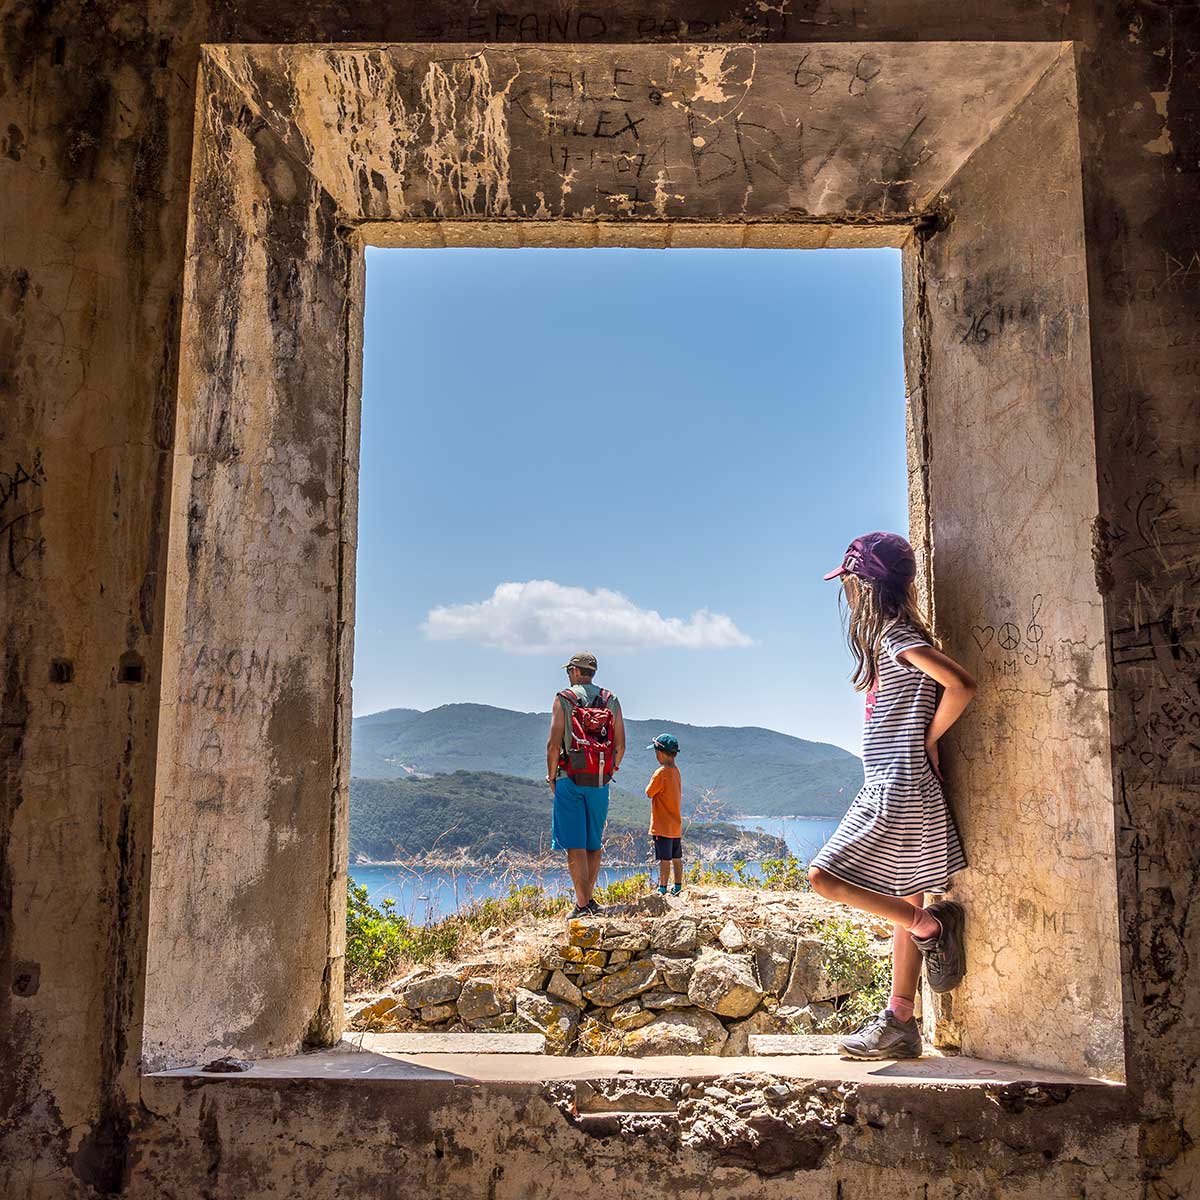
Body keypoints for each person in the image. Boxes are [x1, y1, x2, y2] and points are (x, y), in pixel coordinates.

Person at [807, 532, 975, 1061]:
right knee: (907, 898)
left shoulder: (894, 636)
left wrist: (926, 738)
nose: (846, 595)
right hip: (907, 784)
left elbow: (962, 685)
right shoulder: (896, 637)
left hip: (896, 785)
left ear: (863, 585)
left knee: (823, 878)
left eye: (848, 584)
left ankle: (931, 927)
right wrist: (927, 739)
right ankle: (900, 1022)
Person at [546, 652, 626, 918]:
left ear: (576, 671)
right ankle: (588, 901)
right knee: (593, 843)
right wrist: (608, 771)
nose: (568, 675)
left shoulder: (564, 699)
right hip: (600, 781)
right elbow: (620, 746)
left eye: (569, 670)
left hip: (569, 777)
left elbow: (553, 744)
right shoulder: (610, 699)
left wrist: (551, 777)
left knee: (574, 843)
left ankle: (582, 905)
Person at [645, 733, 683, 896]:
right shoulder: (676, 771)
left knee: (664, 859)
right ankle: (678, 886)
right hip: (675, 825)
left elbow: (649, 792)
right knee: (677, 858)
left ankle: (662, 888)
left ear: (660, 753)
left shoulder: (661, 773)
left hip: (662, 826)